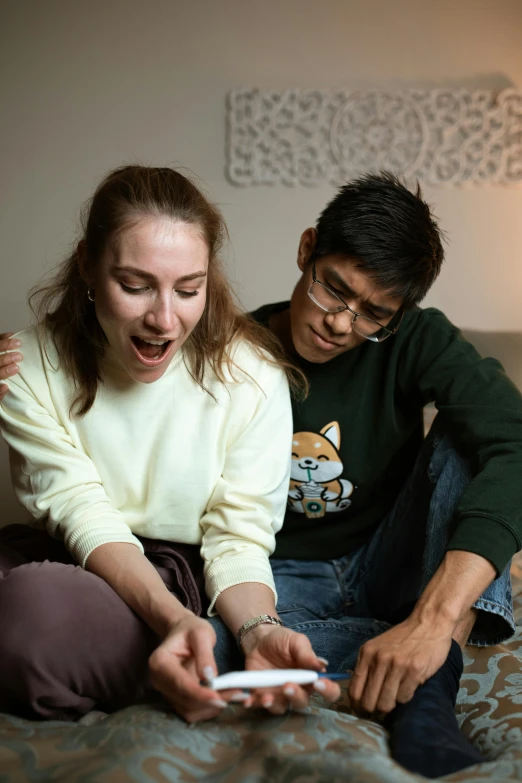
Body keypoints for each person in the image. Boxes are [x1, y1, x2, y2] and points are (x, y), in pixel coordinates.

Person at [0, 164, 341, 725]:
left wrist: (255, 631)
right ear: (87, 264)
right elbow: (79, 510)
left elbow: (238, 537)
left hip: (171, 582)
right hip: (70, 553)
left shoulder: (251, 374)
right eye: (134, 286)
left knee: (31, 609)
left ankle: (192, 653)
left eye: (189, 290)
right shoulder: (23, 364)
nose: (163, 319)